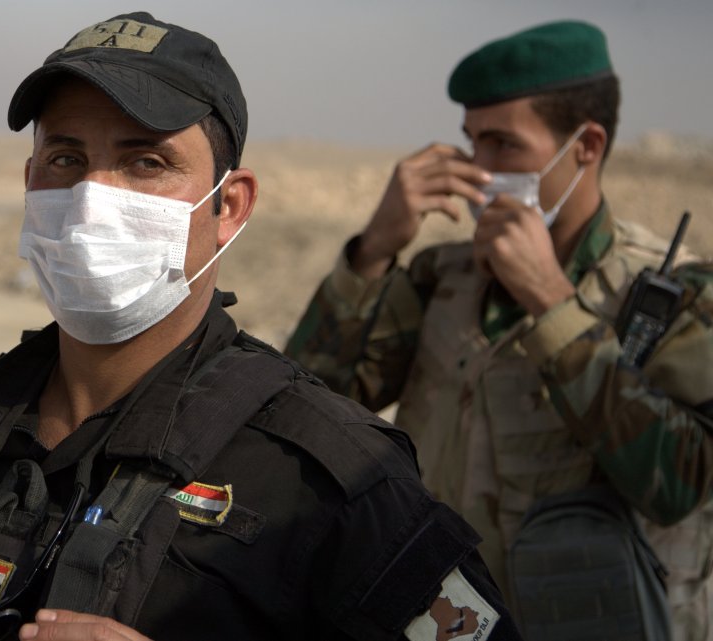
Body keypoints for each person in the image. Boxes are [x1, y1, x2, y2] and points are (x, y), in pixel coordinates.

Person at [0, 12, 522, 641]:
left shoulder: (327, 475)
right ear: (29, 181)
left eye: (146, 162)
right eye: (66, 158)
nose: (91, 198)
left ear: (228, 207)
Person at [285, 19, 713, 640]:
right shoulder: (443, 276)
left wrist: (552, 304)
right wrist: (374, 250)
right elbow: (314, 405)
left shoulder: (671, 295)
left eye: (504, 145)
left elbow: (679, 481)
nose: (480, 169)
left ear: (586, 146)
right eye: (471, 143)